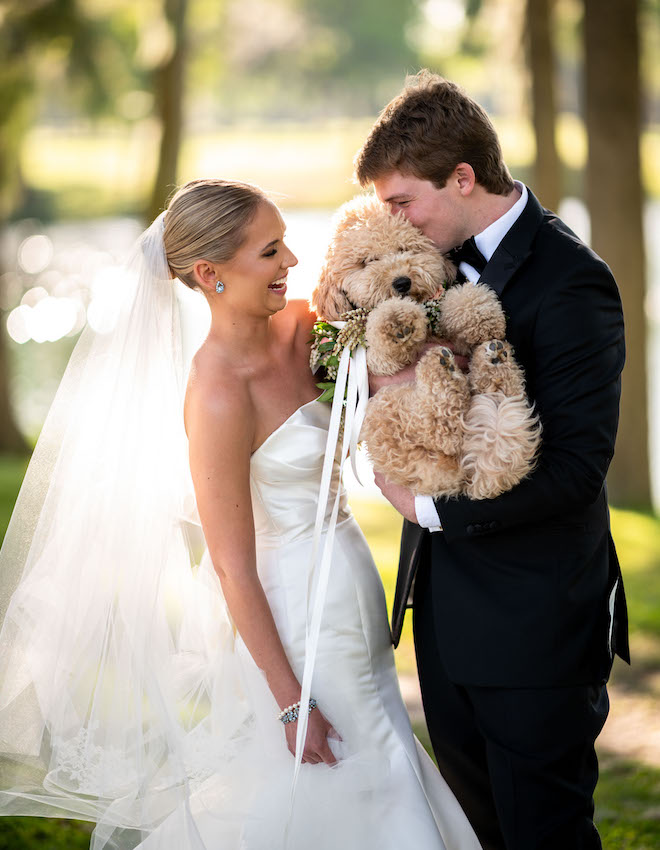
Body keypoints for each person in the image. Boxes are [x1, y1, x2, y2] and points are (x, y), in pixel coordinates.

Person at [0, 178, 482, 850]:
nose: (291, 262)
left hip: (352, 587)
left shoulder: (306, 330)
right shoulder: (217, 396)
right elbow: (230, 565)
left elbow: (385, 376)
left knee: (377, 744)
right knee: (346, 771)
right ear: (210, 274)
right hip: (295, 618)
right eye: (270, 252)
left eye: (286, 244)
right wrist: (291, 698)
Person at [355, 72, 630, 850]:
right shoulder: (431, 263)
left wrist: (433, 510)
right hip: (446, 618)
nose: (395, 222)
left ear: (464, 177)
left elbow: (577, 468)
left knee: (543, 832)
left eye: (404, 201)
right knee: (475, 832)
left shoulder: (575, 283)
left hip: (536, 626)